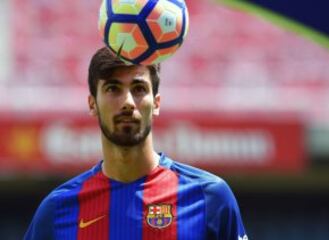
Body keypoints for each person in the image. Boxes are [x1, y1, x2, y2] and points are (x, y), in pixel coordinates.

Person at [24, 47, 248, 240]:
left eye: (139, 89)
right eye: (113, 88)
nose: (128, 102)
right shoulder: (58, 209)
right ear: (92, 104)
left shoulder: (209, 197)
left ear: (157, 103)